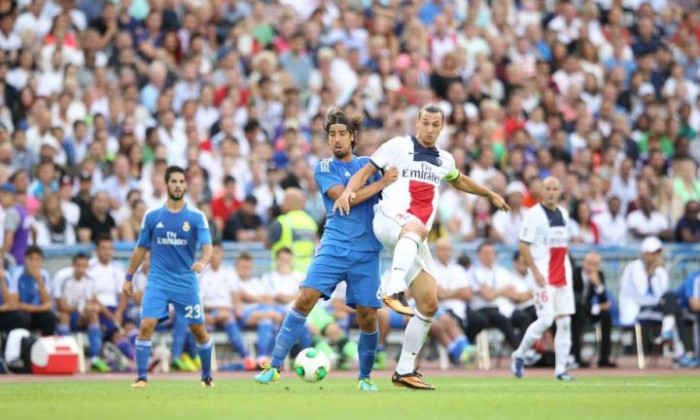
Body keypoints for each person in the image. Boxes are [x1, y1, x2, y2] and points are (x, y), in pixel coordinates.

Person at [335, 104, 509, 390]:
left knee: (429, 303)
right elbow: (366, 171)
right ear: (417, 122)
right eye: (425, 123)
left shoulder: (445, 159)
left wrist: (489, 193)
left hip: (414, 236)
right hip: (390, 219)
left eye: (435, 125)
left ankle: (404, 371)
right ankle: (393, 291)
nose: (429, 129)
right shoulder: (397, 146)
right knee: (415, 227)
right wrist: (348, 192)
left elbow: (460, 180)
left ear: (442, 128)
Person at [255, 110, 397, 391]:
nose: (337, 139)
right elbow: (346, 198)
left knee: (368, 314)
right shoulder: (323, 168)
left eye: (342, 133)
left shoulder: (369, 164)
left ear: (352, 137)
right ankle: (273, 366)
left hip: (367, 251)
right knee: (306, 297)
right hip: (335, 246)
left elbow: (394, 185)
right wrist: (381, 183)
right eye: (332, 134)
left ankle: (365, 378)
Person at [122, 165, 214, 388]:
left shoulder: (195, 216)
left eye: (182, 182)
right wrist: (128, 277)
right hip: (158, 280)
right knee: (146, 325)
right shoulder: (153, 216)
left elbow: (207, 246)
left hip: (185, 281)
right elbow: (140, 248)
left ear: (186, 185)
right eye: (174, 181)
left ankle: (206, 377)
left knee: (199, 331)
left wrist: (202, 262)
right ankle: (141, 377)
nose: (178, 185)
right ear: (166, 184)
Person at [511, 177, 575, 381]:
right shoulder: (533, 215)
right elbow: (523, 245)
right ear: (541, 191)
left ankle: (561, 369)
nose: (550, 192)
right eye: (547, 188)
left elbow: (564, 245)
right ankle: (519, 353)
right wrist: (535, 272)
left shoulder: (564, 213)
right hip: (543, 275)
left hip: (563, 273)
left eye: (555, 189)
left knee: (564, 322)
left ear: (559, 192)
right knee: (546, 319)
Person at [618, 236, 695, 367]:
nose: (655, 257)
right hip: (637, 310)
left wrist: (655, 274)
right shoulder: (633, 268)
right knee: (673, 307)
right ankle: (678, 352)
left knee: (673, 301)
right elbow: (641, 296)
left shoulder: (661, 270)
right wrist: (651, 273)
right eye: (652, 253)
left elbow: (662, 294)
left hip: (655, 308)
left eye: (657, 253)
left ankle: (668, 334)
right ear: (645, 253)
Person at [199, 243, 254, 370]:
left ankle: (245, 360)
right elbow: (200, 302)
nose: (215, 256)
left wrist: (238, 310)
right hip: (209, 314)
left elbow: (235, 297)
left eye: (217, 252)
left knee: (230, 317)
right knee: (225, 317)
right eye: (211, 252)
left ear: (222, 253)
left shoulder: (229, 273)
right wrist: (216, 310)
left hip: (227, 314)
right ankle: (246, 357)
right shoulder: (202, 274)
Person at [55, 253, 110, 372]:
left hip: (80, 317)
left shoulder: (90, 281)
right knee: (64, 316)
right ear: (73, 266)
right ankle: (66, 356)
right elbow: (61, 306)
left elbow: (90, 303)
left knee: (93, 316)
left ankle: (95, 358)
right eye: (79, 266)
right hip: (66, 315)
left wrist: (91, 308)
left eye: (84, 266)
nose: (81, 269)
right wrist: (82, 308)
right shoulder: (64, 279)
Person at [468, 241, 521, 351]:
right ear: (478, 255)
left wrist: (496, 292)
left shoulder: (501, 271)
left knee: (524, 318)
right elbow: (488, 296)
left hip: (502, 308)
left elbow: (513, 292)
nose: (488, 256)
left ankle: (528, 349)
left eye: (490, 253)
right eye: (485, 253)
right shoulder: (475, 271)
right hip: (482, 309)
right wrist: (503, 291)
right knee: (503, 319)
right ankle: (519, 352)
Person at [571, 251, 616, 368]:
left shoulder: (599, 275)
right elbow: (576, 300)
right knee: (577, 313)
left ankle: (604, 359)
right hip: (575, 311)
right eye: (589, 263)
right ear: (583, 263)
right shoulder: (574, 273)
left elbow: (604, 301)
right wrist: (597, 307)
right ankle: (576, 358)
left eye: (595, 264)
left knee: (606, 315)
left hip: (589, 311)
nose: (592, 267)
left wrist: (597, 284)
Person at [266, 188, 318, 272]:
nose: (281, 204)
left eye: (283, 200)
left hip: (285, 272)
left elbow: (267, 243)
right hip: (307, 272)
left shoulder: (282, 221)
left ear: (288, 201)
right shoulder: (311, 222)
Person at [11, 246, 56, 336]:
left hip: (36, 312)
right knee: (22, 317)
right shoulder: (16, 274)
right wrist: (39, 308)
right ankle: (23, 347)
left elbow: (47, 302)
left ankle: (45, 345)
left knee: (50, 318)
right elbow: (14, 303)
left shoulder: (44, 275)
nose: (34, 263)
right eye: (30, 259)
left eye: (37, 259)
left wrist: (39, 280)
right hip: (21, 312)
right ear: (24, 259)